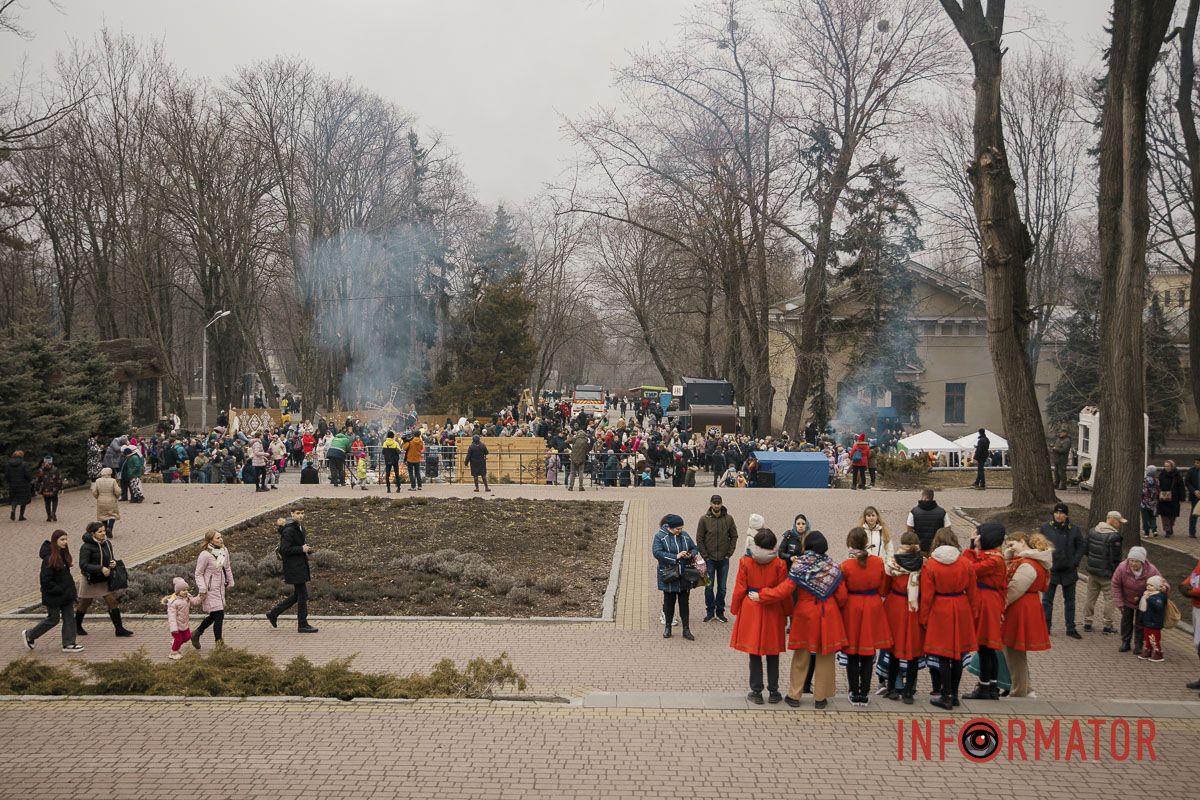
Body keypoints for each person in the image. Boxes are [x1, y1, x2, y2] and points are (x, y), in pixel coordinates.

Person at [755, 531, 846, 709]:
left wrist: (763, 594)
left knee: (801, 655)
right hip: (828, 613)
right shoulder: (833, 567)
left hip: (806, 614)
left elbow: (784, 590)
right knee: (825, 655)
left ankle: (794, 695)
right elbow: (842, 596)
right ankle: (820, 697)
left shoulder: (800, 566)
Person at [919, 528, 979, 709]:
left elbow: (927, 595)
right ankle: (954, 693)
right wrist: (973, 614)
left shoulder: (931, 564)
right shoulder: (965, 563)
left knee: (944, 655)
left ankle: (945, 694)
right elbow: (973, 593)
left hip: (940, 608)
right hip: (960, 607)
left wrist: (924, 617)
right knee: (958, 655)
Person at [730, 528, 792, 704]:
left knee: (754, 653)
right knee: (773, 653)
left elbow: (740, 588)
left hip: (752, 607)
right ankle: (774, 691)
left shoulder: (745, 562)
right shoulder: (779, 564)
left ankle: (756, 691)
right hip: (773, 608)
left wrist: (735, 609)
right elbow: (784, 591)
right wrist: (788, 611)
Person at [840, 527, 891, 706]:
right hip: (872, 605)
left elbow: (841, 593)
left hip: (853, 607)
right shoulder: (877, 562)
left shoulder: (846, 565)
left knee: (852, 651)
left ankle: (854, 691)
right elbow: (884, 588)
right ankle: (865, 692)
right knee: (868, 652)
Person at [1002, 531, 1053, 697]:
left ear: (1022, 541)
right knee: (1015, 652)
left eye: (1012, 545)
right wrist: (1009, 555)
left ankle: (1019, 691)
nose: (1010, 549)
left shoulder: (1027, 564)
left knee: (1014, 652)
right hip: (1026, 606)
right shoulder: (1033, 561)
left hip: (1020, 608)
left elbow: (1015, 588)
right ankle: (1024, 688)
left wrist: (1000, 604)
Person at [962, 522, 1008, 699]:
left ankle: (985, 686)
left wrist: (972, 545)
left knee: (985, 646)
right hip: (987, 601)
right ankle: (991, 686)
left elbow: (969, 568)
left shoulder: (994, 559)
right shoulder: (993, 556)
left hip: (987, 602)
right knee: (988, 647)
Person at [22, 530, 83, 652]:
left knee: (70, 617)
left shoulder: (63, 555)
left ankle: (69, 644)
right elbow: (45, 580)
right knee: (53, 619)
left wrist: (71, 592)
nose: (65, 542)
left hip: (65, 595)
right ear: (55, 541)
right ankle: (30, 635)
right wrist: (59, 589)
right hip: (53, 595)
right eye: (62, 539)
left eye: (66, 539)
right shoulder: (49, 558)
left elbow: (66, 577)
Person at [882, 531, 923, 703]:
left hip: (895, 606)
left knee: (893, 650)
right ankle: (908, 691)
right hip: (914, 607)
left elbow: (884, 588)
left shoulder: (893, 563)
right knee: (913, 651)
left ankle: (892, 688)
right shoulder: (922, 563)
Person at [75, 521, 134, 637]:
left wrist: (113, 563)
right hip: (90, 579)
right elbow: (83, 565)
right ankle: (76, 626)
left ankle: (119, 629)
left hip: (104, 578)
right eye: (100, 531)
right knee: (85, 603)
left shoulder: (107, 543)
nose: (103, 533)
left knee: (112, 600)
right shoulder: (86, 547)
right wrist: (100, 568)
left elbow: (111, 557)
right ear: (93, 533)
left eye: (104, 531)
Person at [266, 510, 318, 633]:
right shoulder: (290, 530)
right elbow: (284, 549)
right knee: (302, 595)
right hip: (294, 567)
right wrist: (301, 548)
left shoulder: (299, 527)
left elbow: (295, 544)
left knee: (298, 595)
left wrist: (306, 549)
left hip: (299, 565)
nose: (301, 515)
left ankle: (273, 613)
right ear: (292, 514)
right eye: (298, 513)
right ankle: (302, 624)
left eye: (303, 513)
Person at [1039, 502, 1084, 638]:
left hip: (1069, 571)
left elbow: (1081, 546)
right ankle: (1045, 628)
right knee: (1047, 601)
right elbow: (1038, 545)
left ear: (1066, 515)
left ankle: (1070, 628)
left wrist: (1075, 562)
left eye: (1061, 513)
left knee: (1070, 601)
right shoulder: (1046, 528)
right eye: (1056, 513)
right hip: (1051, 570)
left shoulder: (1074, 529)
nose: (1058, 516)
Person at [652, 514, 698, 640]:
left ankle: (686, 629)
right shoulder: (660, 537)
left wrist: (690, 554)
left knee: (684, 603)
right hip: (669, 574)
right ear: (670, 528)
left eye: (681, 528)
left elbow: (694, 548)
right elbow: (657, 553)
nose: (680, 531)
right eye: (677, 529)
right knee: (669, 603)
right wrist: (675, 557)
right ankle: (668, 627)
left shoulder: (684, 535)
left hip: (684, 575)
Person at [1112, 546, 1161, 655]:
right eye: (1131, 560)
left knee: (1140, 622)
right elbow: (1115, 585)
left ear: (1142, 562)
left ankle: (1139, 644)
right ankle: (1125, 642)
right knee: (1126, 621)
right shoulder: (1122, 568)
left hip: (1143, 600)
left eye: (1136, 561)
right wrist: (1119, 603)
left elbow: (1161, 582)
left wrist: (1164, 588)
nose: (1133, 564)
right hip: (1126, 599)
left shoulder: (1151, 570)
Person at [696, 494, 737, 623]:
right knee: (708, 587)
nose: (716, 505)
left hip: (724, 560)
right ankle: (710, 611)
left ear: (721, 503)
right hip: (709, 560)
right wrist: (705, 556)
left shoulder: (729, 519)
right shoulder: (704, 519)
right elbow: (699, 538)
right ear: (710, 504)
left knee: (722, 587)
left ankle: (720, 612)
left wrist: (729, 553)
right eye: (714, 503)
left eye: (718, 503)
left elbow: (734, 536)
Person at [1083, 511, 1124, 634]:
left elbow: (1086, 550)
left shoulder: (1092, 531)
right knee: (1109, 599)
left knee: (1090, 597)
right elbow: (1115, 559)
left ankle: (1087, 622)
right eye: (1119, 522)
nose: (1120, 525)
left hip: (1093, 571)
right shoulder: (1115, 536)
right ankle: (1107, 625)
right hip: (1107, 574)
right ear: (1113, 521)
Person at [192, 530, 234, 649]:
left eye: (221, 537)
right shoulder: (205, 555)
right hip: (209, 589)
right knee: (219, 614)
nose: (221, 539)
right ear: (210, 541)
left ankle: (196, 633)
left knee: (214, 615)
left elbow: (227, 567)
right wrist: (202, 588)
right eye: (217, 538)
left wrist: (230, 581)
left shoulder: (224, 551)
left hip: (220, 588)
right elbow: (198, 573)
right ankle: (219, 644)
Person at [162, 577, 202, 660]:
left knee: (188, 637)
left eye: (186, 589)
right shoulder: (173, 602)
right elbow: (172, 617)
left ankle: (175, 643)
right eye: (183, 590)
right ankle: (173, 652)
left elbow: (195, 602)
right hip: (176, 626)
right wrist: (174, 628)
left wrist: (201, 596)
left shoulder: (187, 597)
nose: (186, 591)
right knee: (178, 639)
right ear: (177, 591)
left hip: (184, 624)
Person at [1137, 576, 1169, 662]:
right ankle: (1148, 650)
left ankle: (1158, 652)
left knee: (1154, 638)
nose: (1148, 587)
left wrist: (1148, 599)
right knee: (1147, 637)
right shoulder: (1148, 594)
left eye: (1151, 585)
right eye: (1148, 585)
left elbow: (1158, 606)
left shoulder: (1160, 596)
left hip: (1155, 622)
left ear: (1157, 587)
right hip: (1147, 620)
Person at [1180, 559, 1200, 693]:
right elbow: (1193, 577)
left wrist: (1192, 592)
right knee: (1198, 644)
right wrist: (1185, 586)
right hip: (1197, 607)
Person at [906, 489, 946, 554]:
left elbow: (909, 530)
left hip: (919, 548)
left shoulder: (914, 511)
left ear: (923, 496)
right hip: (936, 548)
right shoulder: (942, 512)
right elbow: (947, 530)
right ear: (932, 497)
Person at [1157, 459, 1186, 537]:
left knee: (1172, 515)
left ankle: (1170, 526)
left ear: (1172, 466)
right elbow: (1158, 485)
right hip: (1163, 498)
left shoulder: (1177, 475)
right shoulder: (1162, 474)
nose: (1166, 468)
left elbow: (1181, 487)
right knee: (1164, 515)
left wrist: (1182, 497)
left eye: (1168, 466)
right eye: (1165, 466)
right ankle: (1167, 529)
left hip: (1174, 498)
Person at [91, 467, 121, 536]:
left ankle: (105, 529)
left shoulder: (98, 481)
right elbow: (118, 491)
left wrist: (98, 497)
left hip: (101, 500)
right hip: (111, 499)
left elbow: (94, 491)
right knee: (112, 515)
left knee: (103, 516)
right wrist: (117, 496)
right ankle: (109, 528)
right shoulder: (113, 481)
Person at [33, 454, 62, 522]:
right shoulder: (55, 469)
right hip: (54, 489)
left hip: (45, 489)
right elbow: (59, 479)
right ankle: (53, 513)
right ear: (51, 462)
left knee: (47, 502)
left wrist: (37, 489)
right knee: (55, 500)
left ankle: (49, 516)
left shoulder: (41, 470)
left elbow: (38, 480)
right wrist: (60, 488)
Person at [5, 450, 32, 522]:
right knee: (24, 500)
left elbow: (7, 475)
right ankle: (21, 516)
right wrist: (29, 480)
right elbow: (27, 474)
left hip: (13, 484)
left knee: (14, 498)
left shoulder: (8, 464)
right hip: (23, 484)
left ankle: (13, 510)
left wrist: (9, 482)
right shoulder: (24, 464)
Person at [1141, 465, 1160, 537]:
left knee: (1145, 517)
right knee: (1153, 516)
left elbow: (1144, 491)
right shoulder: (1157, 480)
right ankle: (1154, 530)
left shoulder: (1145, 480)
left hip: (1145, 502)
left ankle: (1146, 532)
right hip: (1154, 501)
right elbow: (1158, 490)